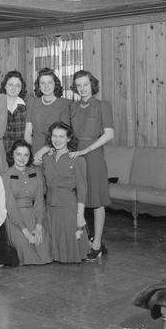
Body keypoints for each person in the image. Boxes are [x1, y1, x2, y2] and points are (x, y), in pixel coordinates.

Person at [70, 70, 114, 260]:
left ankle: (97, 244)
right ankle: (85, 240)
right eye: (78, 85)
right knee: (78, 198)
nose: (82, 88)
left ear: (92, 84)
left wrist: (86, 151)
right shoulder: (73, 107)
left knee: (96, 200)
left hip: (93, 155)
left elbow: (109, 134)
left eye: (85, 84)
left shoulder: (103, 105)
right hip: (75, 154)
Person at [42, 122, 91, 263]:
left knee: (69, 256)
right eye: (54, 136)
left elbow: (82, 189)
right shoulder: (47, 158)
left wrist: (80, 216)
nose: (57, 140)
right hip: (50, 207)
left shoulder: (77, 160)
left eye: (61, 137)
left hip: (68, 208)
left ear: (69, 139)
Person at [2, 140, 52, 265]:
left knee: (44, 250)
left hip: (34, 215)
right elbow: (10, 205)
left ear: (30, 156)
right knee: (26, 246)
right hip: (15, 219)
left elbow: (40, 200)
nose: (22, 158)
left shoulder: (36, 172)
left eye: (26, 155)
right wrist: (25, 231)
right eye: (18, 154)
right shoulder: (6, 176)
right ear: (12, 155)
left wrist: (39, 225)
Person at [24, 68, 70, 163]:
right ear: (39, 86)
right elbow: (28, 132)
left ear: (55, 84)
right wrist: (29, 154)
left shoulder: (64, 104)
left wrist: (40, 153)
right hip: (33, 149)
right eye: (42, 83)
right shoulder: (32, 102)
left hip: (55, 149)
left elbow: (63, 133)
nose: (46, 86)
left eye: (50, 82)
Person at [0, 70, 28, 155]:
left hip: (19, 154)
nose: (13, 88)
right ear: (5, 86)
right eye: (10, 84)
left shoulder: (26, 107)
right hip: (0, 152)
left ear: (21, 88)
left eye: (17, 85)